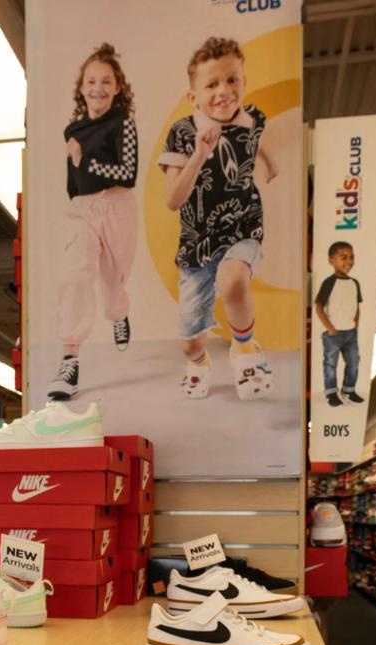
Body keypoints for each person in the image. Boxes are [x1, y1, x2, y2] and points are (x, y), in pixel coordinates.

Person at [158, 36, 278, 401]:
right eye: (211, 84)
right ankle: (200, 362)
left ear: (243, 82)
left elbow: (252, 140)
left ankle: (245, 348)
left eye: (232, 80)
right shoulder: (182, 132)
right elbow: (173, 200)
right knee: (189, 343)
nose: (224, 91)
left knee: (233, 281)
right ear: (193, 96)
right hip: (196, 243)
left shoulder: (252, 118)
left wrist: (269, 161)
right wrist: (199, 154)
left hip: (243, 223)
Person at [48, 43, 138, 401]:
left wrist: (84, 160)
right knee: (75, 273)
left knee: (112, 282)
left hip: (117, 206)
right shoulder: (73, 129)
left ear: (117, 87)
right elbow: (73, 175)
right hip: (83, 209)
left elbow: (127, 174)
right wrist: (75, 194)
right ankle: (70, 358)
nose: (98, 88)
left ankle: (118, 313)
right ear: (81, 87)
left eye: (106, 81)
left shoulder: (123, 124)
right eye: (91, 81)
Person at [315, 242, 365, 407]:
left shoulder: (354, 283)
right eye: (343, 258)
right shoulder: (329, 283)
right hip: (334, 334)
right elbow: (319, 307)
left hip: (351, 333)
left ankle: (349, 390)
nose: (348, 261)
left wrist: (356, 324)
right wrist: (330, 329)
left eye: (351, 257)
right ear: (331, 260)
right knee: (331, 364)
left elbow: (356, 305)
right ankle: (331, 393)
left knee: (353, 362)